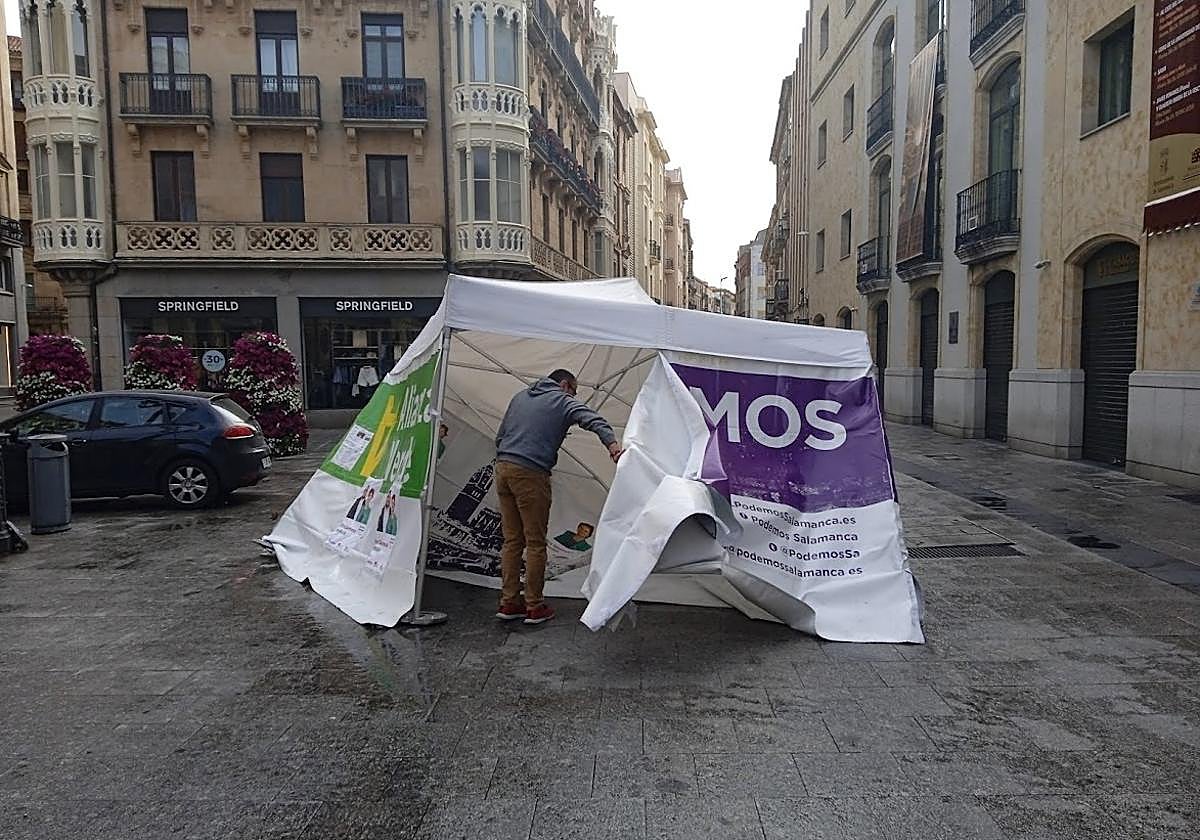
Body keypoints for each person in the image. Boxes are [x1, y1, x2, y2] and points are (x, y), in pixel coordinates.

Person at [494, 369, 622, 625]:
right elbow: (594, 420)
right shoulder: (562, 400)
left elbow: (501, 434)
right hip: (530, 473)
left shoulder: (520, 397)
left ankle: (509, 602)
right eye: (574, 391)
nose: (574, 396)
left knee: (511, 541)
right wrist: (613, 446)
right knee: (535, 542)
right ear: (565, 385)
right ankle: (534, 605)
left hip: (503, 468)